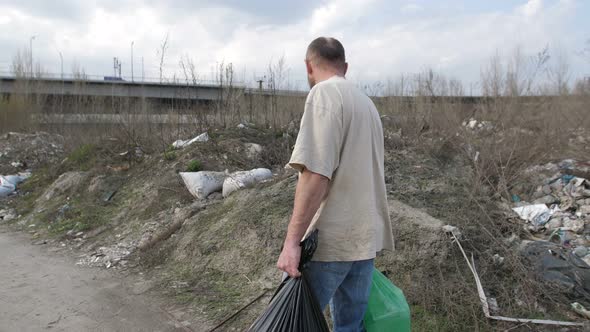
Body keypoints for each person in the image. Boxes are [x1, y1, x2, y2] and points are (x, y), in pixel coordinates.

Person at [276, 37, 395, 332]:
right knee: (350, 327)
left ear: (308, 66)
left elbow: (315, 174)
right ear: (345, 66)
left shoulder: (323, 95)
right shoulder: (366, 104)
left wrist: (292, 242)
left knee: (295, 323)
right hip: (364, 242)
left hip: (330, 243)